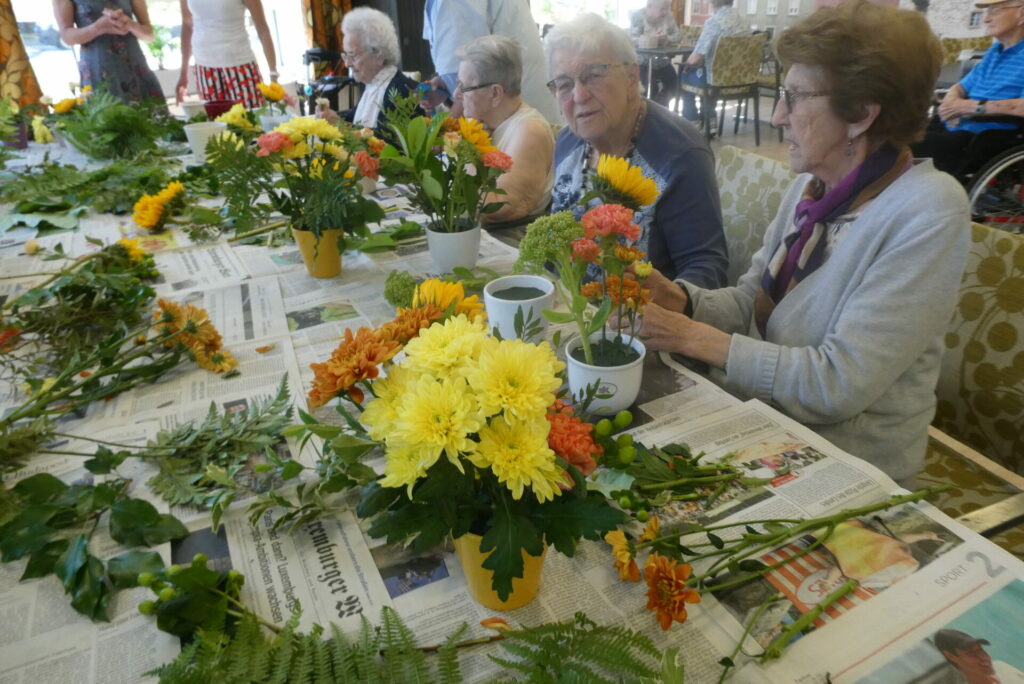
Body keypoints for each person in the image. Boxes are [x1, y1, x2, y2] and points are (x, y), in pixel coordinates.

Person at [632, 0, 969, 483]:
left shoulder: (928, 210)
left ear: (861, 115)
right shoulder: (811, 187)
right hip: (763, 418)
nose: (777, 116)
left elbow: (837, 384)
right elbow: (752, 301)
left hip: (847, 459)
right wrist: (683, 300)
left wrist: (691, 336)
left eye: (794, 96)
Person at [544, 13, 728, 287]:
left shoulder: (679, 155)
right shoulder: (568, 141)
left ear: (632, 77)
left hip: (637, 318)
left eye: (593, 75)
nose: (579, 96)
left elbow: (705, 270)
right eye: (565, 84)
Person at [911, 0, 1024, 177]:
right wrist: (951, 104)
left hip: (984, 136)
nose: (986, 19)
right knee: (897, 130)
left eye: (995, 10)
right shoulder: (995, 51)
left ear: (1021, 13)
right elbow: (961, 86)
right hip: (957, 125)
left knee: (903, 144)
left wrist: (966, 107)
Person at [455, 35, 554, 225]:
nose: (456, 95)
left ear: (495, 93)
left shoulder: (529, 130)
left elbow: (501, 208)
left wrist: (467, 154)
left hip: (510, 240)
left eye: (463, 87)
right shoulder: (487, 124)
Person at [421, 0, 561, 125]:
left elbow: (473, 73)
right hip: (516, 105)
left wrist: (440, 132)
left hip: (516, 114)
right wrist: (447, 83)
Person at [316, 7, 417, 137]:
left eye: (353, 55)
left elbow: (386, 144)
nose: (347, 64)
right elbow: (355, 120)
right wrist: (331, 117)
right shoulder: (373, 84)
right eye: (346, 55)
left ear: (379, 56)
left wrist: (339, 124)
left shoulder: (401, 90)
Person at [52, 0, 163, 103]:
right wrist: (97, 28)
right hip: (98, 70)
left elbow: (149, 36)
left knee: (152, 120)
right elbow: (67, 37)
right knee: (110, 120)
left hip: (135, 67)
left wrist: (130, 24)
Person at [175, 0, 278, 110]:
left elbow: (263, 30)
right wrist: (183, 73)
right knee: (215, 122)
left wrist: (273, 74)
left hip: (239, 66)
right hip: (204, 68)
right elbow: (187, 25)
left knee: (250, 121)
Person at [679, 0, 749, 133]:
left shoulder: (713, 22)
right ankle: (710, 120)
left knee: (685, 76)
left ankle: (692, 122)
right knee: (706, 74)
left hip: (716, 82)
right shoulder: (745, 21)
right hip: (742, 82)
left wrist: (685, 66)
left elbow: (696, 57)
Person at [630, 0, 681, 108]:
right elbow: (632, 39)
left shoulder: (668, 16)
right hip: (642, 62)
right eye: (662, 9)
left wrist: (668, 39)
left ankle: (658, 108)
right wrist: (651, 40)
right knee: (649, 88)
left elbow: (679, 35)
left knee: (675, 84)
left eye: (667, 8)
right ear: (649, 7)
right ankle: (652, 110)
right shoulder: (638, 16)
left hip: (661, 61)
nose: (665, 12)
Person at [934, 629, 1024, 683]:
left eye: (981, 650)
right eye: (972, 653)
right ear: (951, 657)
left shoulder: (1002, 668)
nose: (984, 657)